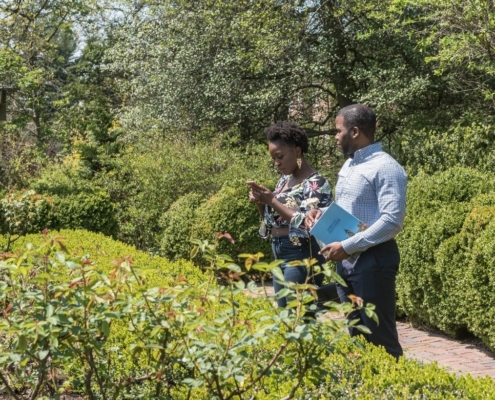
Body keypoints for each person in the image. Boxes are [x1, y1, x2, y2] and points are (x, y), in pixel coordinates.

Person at [306, 104, 407, 358]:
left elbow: (392, 221)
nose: (335, 136)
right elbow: (347, 209)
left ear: (354, 131)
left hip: (374, 261)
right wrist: (322, 214)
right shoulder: (349, 166)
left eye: (338, 130)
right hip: (348, 264)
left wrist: (348, 246)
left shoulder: (386, 167)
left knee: (381, 339)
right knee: (358, 338)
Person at [248, 121, 333, 310]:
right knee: (285, 315)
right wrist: (262, 203)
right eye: (273, 159)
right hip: (279, 251)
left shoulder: (316, 183)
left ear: (297, 150)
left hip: (301, 253)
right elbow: (270, 225)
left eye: (280, 157)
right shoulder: (284, 181)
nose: (277, 163)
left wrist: (272, 201)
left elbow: (309, 226)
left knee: (299, 314)